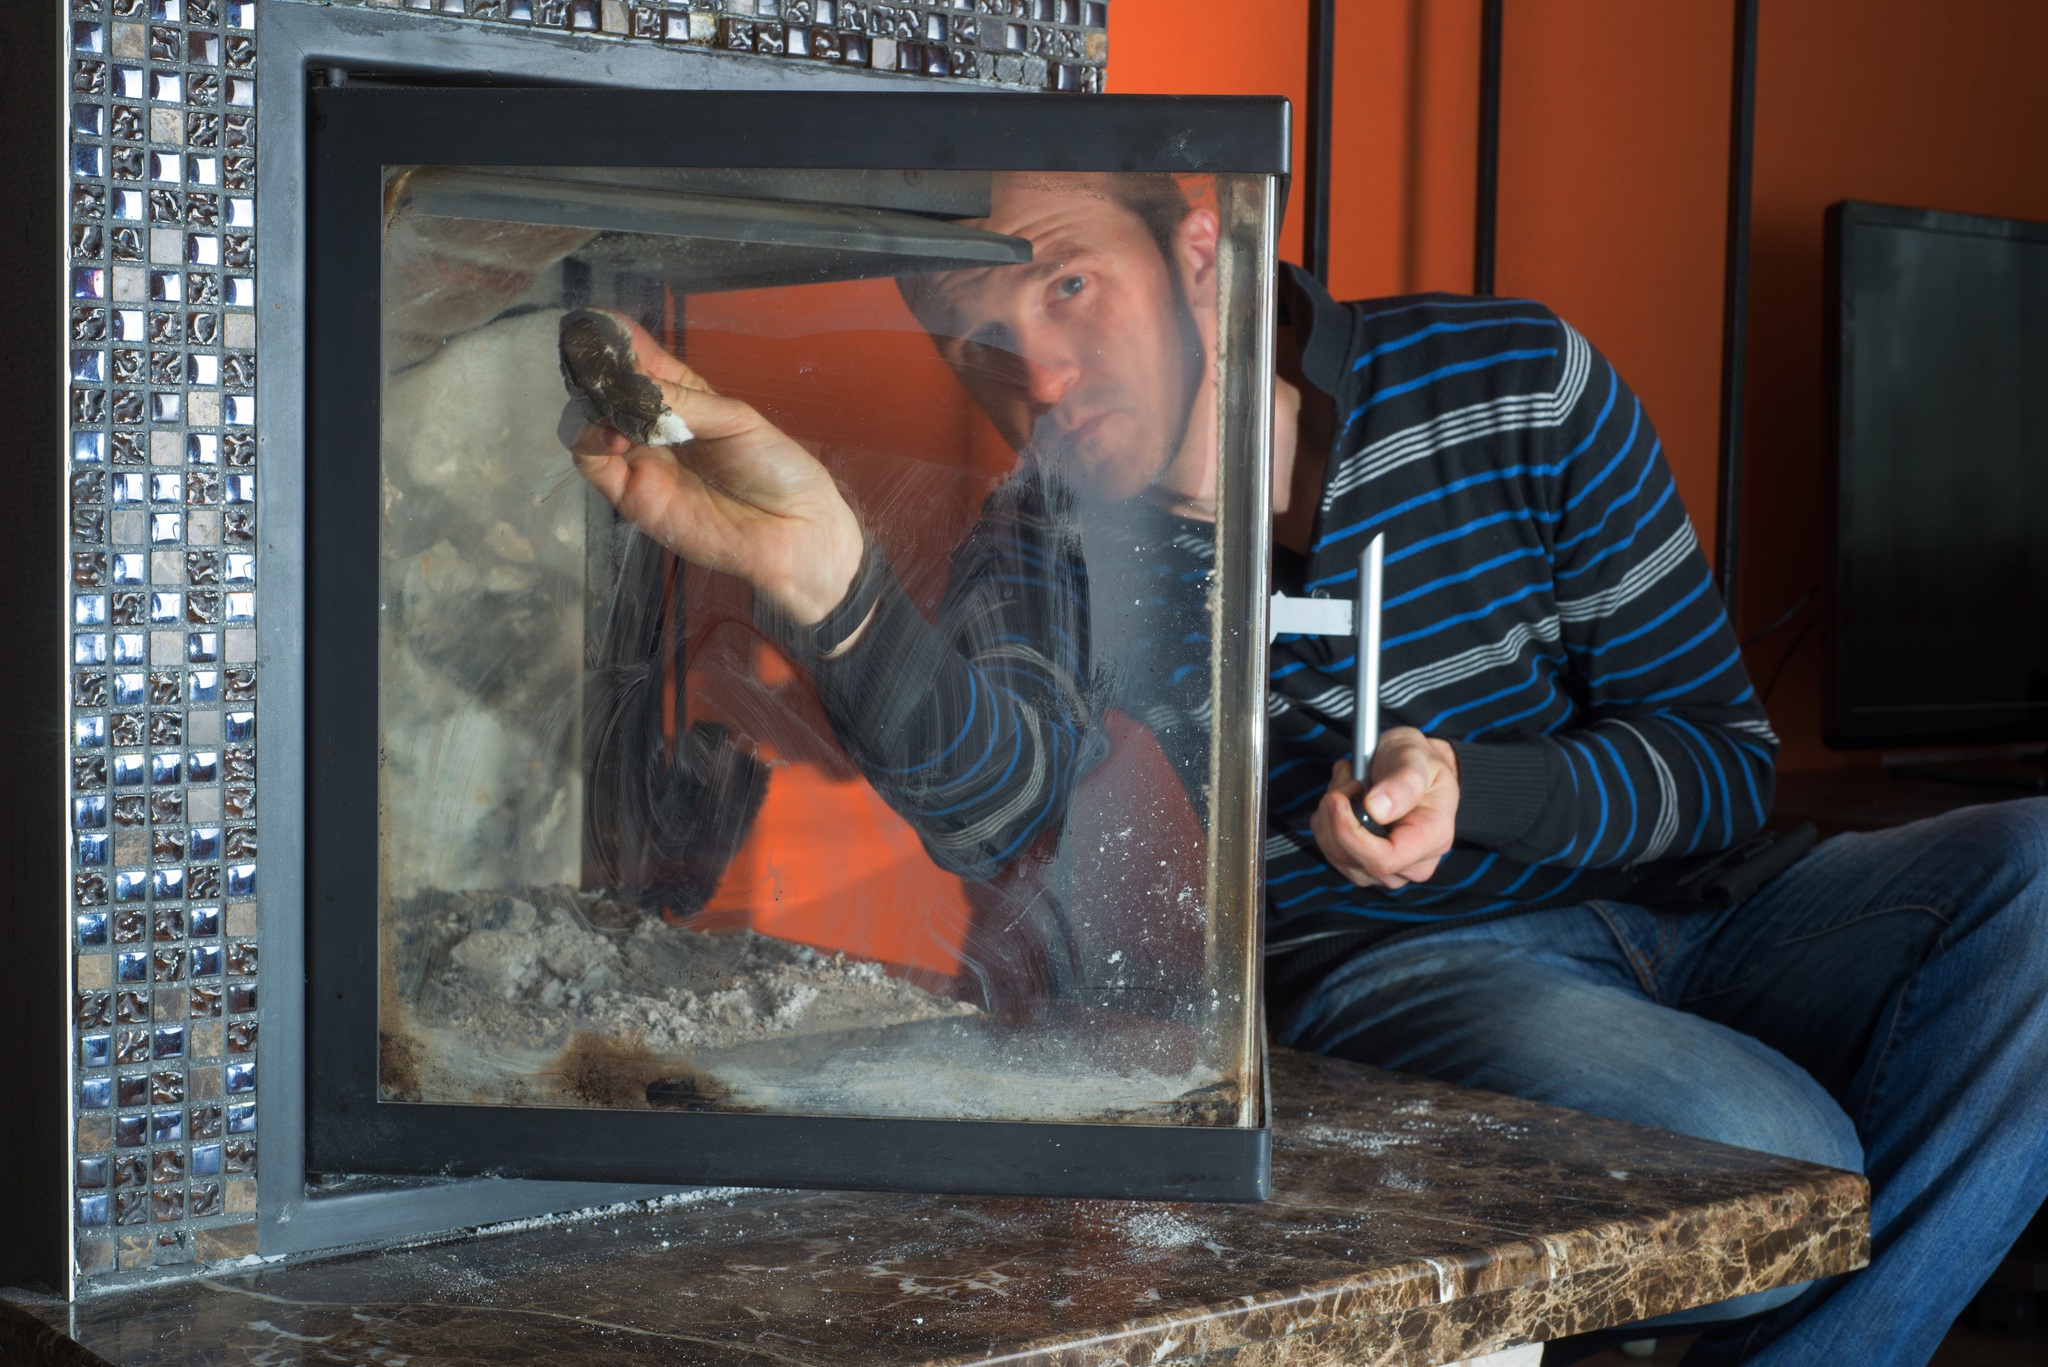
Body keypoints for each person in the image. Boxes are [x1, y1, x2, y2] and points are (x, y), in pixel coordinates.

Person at [565, 172, 2048, 1367]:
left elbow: (1721, 759)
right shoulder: (1041, 543)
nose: (1034, 365)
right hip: (1415, 972)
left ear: (1201, 246)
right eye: (975, 332)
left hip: (1727, 908)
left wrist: (1484, 789)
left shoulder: (1517, 381)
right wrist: (834, 588)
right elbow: (1006, 799)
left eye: (1065, 281)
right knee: (1762, 1156)